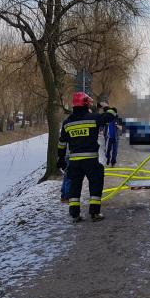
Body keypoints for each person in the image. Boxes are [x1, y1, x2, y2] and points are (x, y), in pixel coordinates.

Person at [56, 92, 117, 222]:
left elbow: (61, 143)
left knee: (74, 187)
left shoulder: (67, 123)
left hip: (74, 162)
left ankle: (75, 215)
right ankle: (94, 213)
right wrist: (105, 106)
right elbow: (111, 116)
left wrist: (60, 158)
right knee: (96, 184)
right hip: (90, 161)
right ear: (86, 103)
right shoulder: (93, 118)